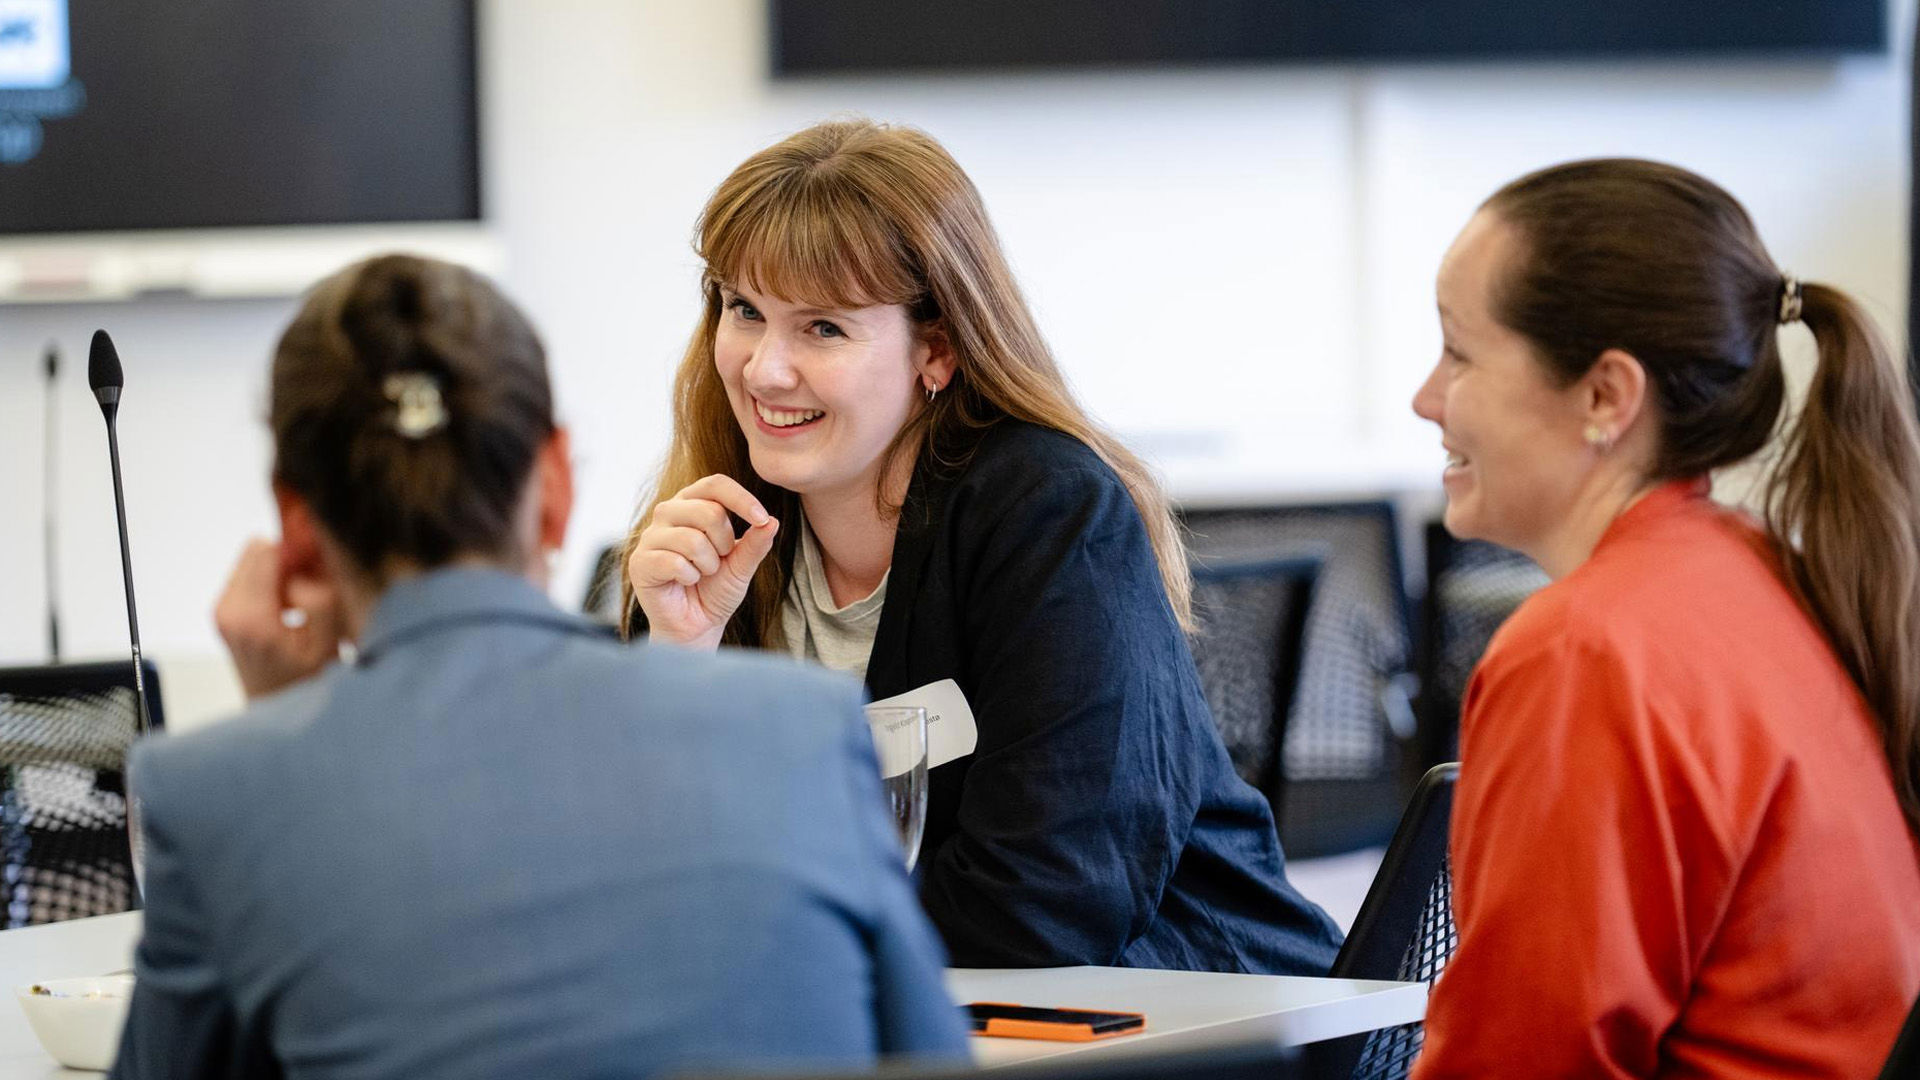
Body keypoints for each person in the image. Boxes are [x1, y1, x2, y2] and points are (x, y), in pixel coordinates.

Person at [111, 255, 968, 1080]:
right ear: (555, 485)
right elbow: (931, 1058)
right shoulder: (803, 726)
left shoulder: (218, 797)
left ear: (297, 524)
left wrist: (284, 721)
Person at [623, 118, 1341, 974]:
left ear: (939, 347)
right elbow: (650, 890)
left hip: (1194, 1022)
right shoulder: (717, 531)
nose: (764, 369)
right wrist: (681, 663)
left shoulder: (1047, 510)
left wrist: (767, 945)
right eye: (745, 311)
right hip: (902, 1020)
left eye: (823, 329)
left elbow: (1047, 905)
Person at [1408, 160, 1920, 1078]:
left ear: (1607, 396)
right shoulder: (1775, 575)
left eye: (1460, 353)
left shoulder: (1585, 651)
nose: (1427, 398)